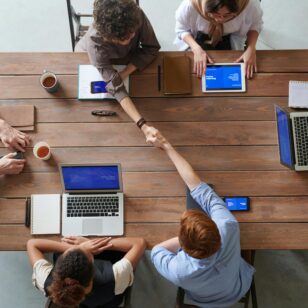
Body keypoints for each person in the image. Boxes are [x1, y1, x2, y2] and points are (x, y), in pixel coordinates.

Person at [149, 131, 255, 307]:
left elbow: (157, 251)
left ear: (182, 246)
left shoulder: (178, 271)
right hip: (238, 288)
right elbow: (200, 189)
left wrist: (166, 146)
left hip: (203, 300)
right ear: (215, 230)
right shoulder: (228, 226)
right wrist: (167, 146)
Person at [76, 0, 161, 141]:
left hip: (126, 59)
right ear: (107, 36)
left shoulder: (136, 15)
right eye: (123, 38)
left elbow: (151, 48)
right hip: (90, 55)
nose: (130, 38)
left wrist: (125, 72)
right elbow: (115, 86)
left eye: (132, 33)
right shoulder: (94, 42)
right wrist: (143, 125)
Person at [27, 236, 146, 307]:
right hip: (108, 301)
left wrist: (81, 248)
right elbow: (140, 243)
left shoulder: (46, 282)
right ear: (93, 264)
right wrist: (93, 243)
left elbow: (32, 244)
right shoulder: (115, 278)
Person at [175, 0, 263, 78]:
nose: (220, 20)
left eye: (227, 15)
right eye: (216, 15)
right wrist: (196, 48)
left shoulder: (250, 4)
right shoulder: (190, 5)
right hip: (199, 35)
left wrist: (251, 48)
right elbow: (182, 29)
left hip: (230, 35)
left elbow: (255, 25)